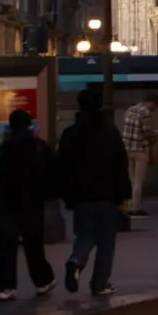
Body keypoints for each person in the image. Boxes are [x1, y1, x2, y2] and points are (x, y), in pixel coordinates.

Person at [58, 84, 130, 297]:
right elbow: (120, 163)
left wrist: (68, 194)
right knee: (107, 240)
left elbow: (63, 165)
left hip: (81, 195)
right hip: (107, 193)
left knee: (85, 234)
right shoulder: (109, 132)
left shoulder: (70, 133)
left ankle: (76, 260)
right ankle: (100, 283)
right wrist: (123, 193)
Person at [0, 109, 56, 301]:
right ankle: (42, 281)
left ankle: (5, 286)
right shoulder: (39, 146)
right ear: (30, 125)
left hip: (6, 202)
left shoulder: (3, 147)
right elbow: (52, 171)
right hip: (32, 201)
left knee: (5, 246)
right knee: (34, 244)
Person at [119, 94, 158, 217]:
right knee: (138, 180)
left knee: (131, 179)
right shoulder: (145, 113)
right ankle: (135, 207)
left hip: (127, 148)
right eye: (155, 106)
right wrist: (156, 135)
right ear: (152, 103)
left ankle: (129, 204)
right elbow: (147, 132)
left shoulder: (129, 110)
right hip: (140, 149)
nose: (155, 109)